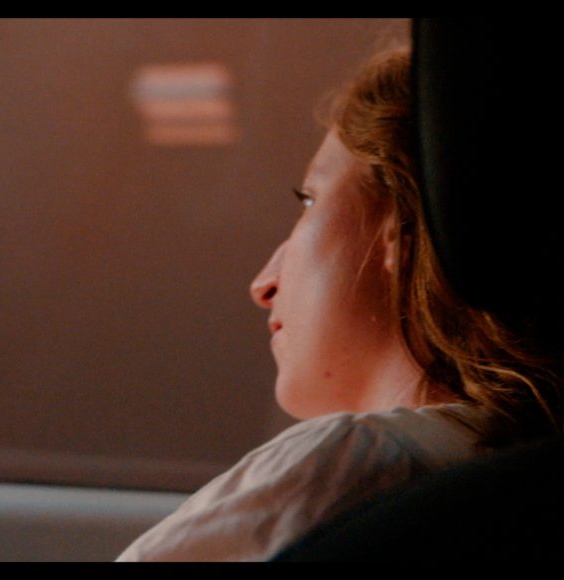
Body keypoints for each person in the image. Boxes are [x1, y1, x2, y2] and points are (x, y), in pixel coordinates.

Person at [116, 44, 564, 562]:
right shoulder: (527, 476)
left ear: (401, 230)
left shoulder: (343, 465)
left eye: (309, 201)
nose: (263, 284)